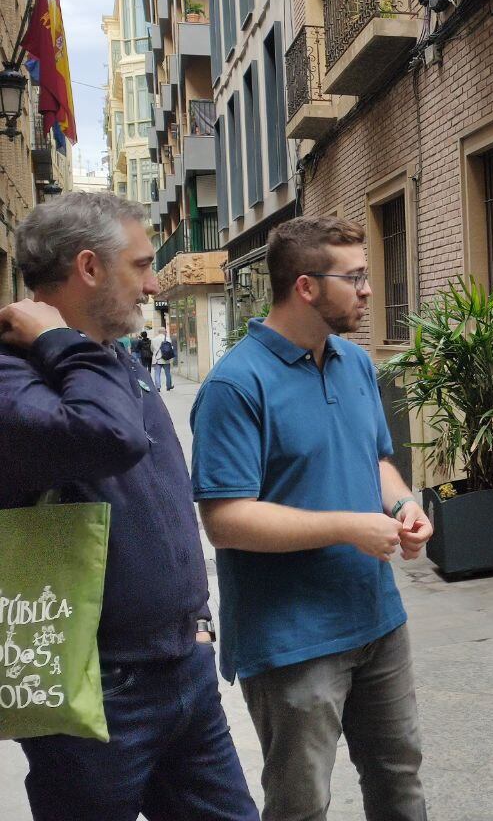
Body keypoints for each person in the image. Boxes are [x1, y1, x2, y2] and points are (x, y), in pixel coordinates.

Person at [0, 192, 258, 821]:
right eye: (140, 266)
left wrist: (196, 625)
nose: (152, 285)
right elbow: (107, 436)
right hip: (95, 688)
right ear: (89, 267)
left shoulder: (113, 361)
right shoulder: (12, 375)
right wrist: (61, 340)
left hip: (182, 667)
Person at [190, 216, 432, 821]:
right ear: (305, 286)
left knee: (400, 785)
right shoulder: (235, 385)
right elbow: (225, 519)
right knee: (302, 805)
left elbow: (375, 458)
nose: (369, 290)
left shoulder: (354, 364)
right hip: (292, 641)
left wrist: (402, 505)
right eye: (354, 278)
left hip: (377, 621)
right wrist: (349, 527)